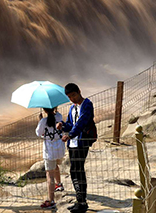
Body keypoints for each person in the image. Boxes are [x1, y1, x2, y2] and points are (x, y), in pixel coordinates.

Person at [57, 83, 95, 213]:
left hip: (82, 141)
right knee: (75, 171)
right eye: (69, 96)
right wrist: (62, 125)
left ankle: (82, 202)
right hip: (73, 143)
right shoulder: (72, 108)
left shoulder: (87, 104)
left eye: (73, 95)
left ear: (79, 91)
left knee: (76, 170)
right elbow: (70, 124)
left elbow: (82, 121)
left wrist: (71, 134)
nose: (72, 98)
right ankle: (80, 201)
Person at [36, 107, 66, 209]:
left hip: (50, 151)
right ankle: (59, 184)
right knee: (56, 166)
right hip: (60, 149)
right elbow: (56, 118)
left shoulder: (44, 121)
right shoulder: (59, 116)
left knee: (49, 175)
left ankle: (51, 200)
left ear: (44, 110)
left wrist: (40, 120)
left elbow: (38, 133)